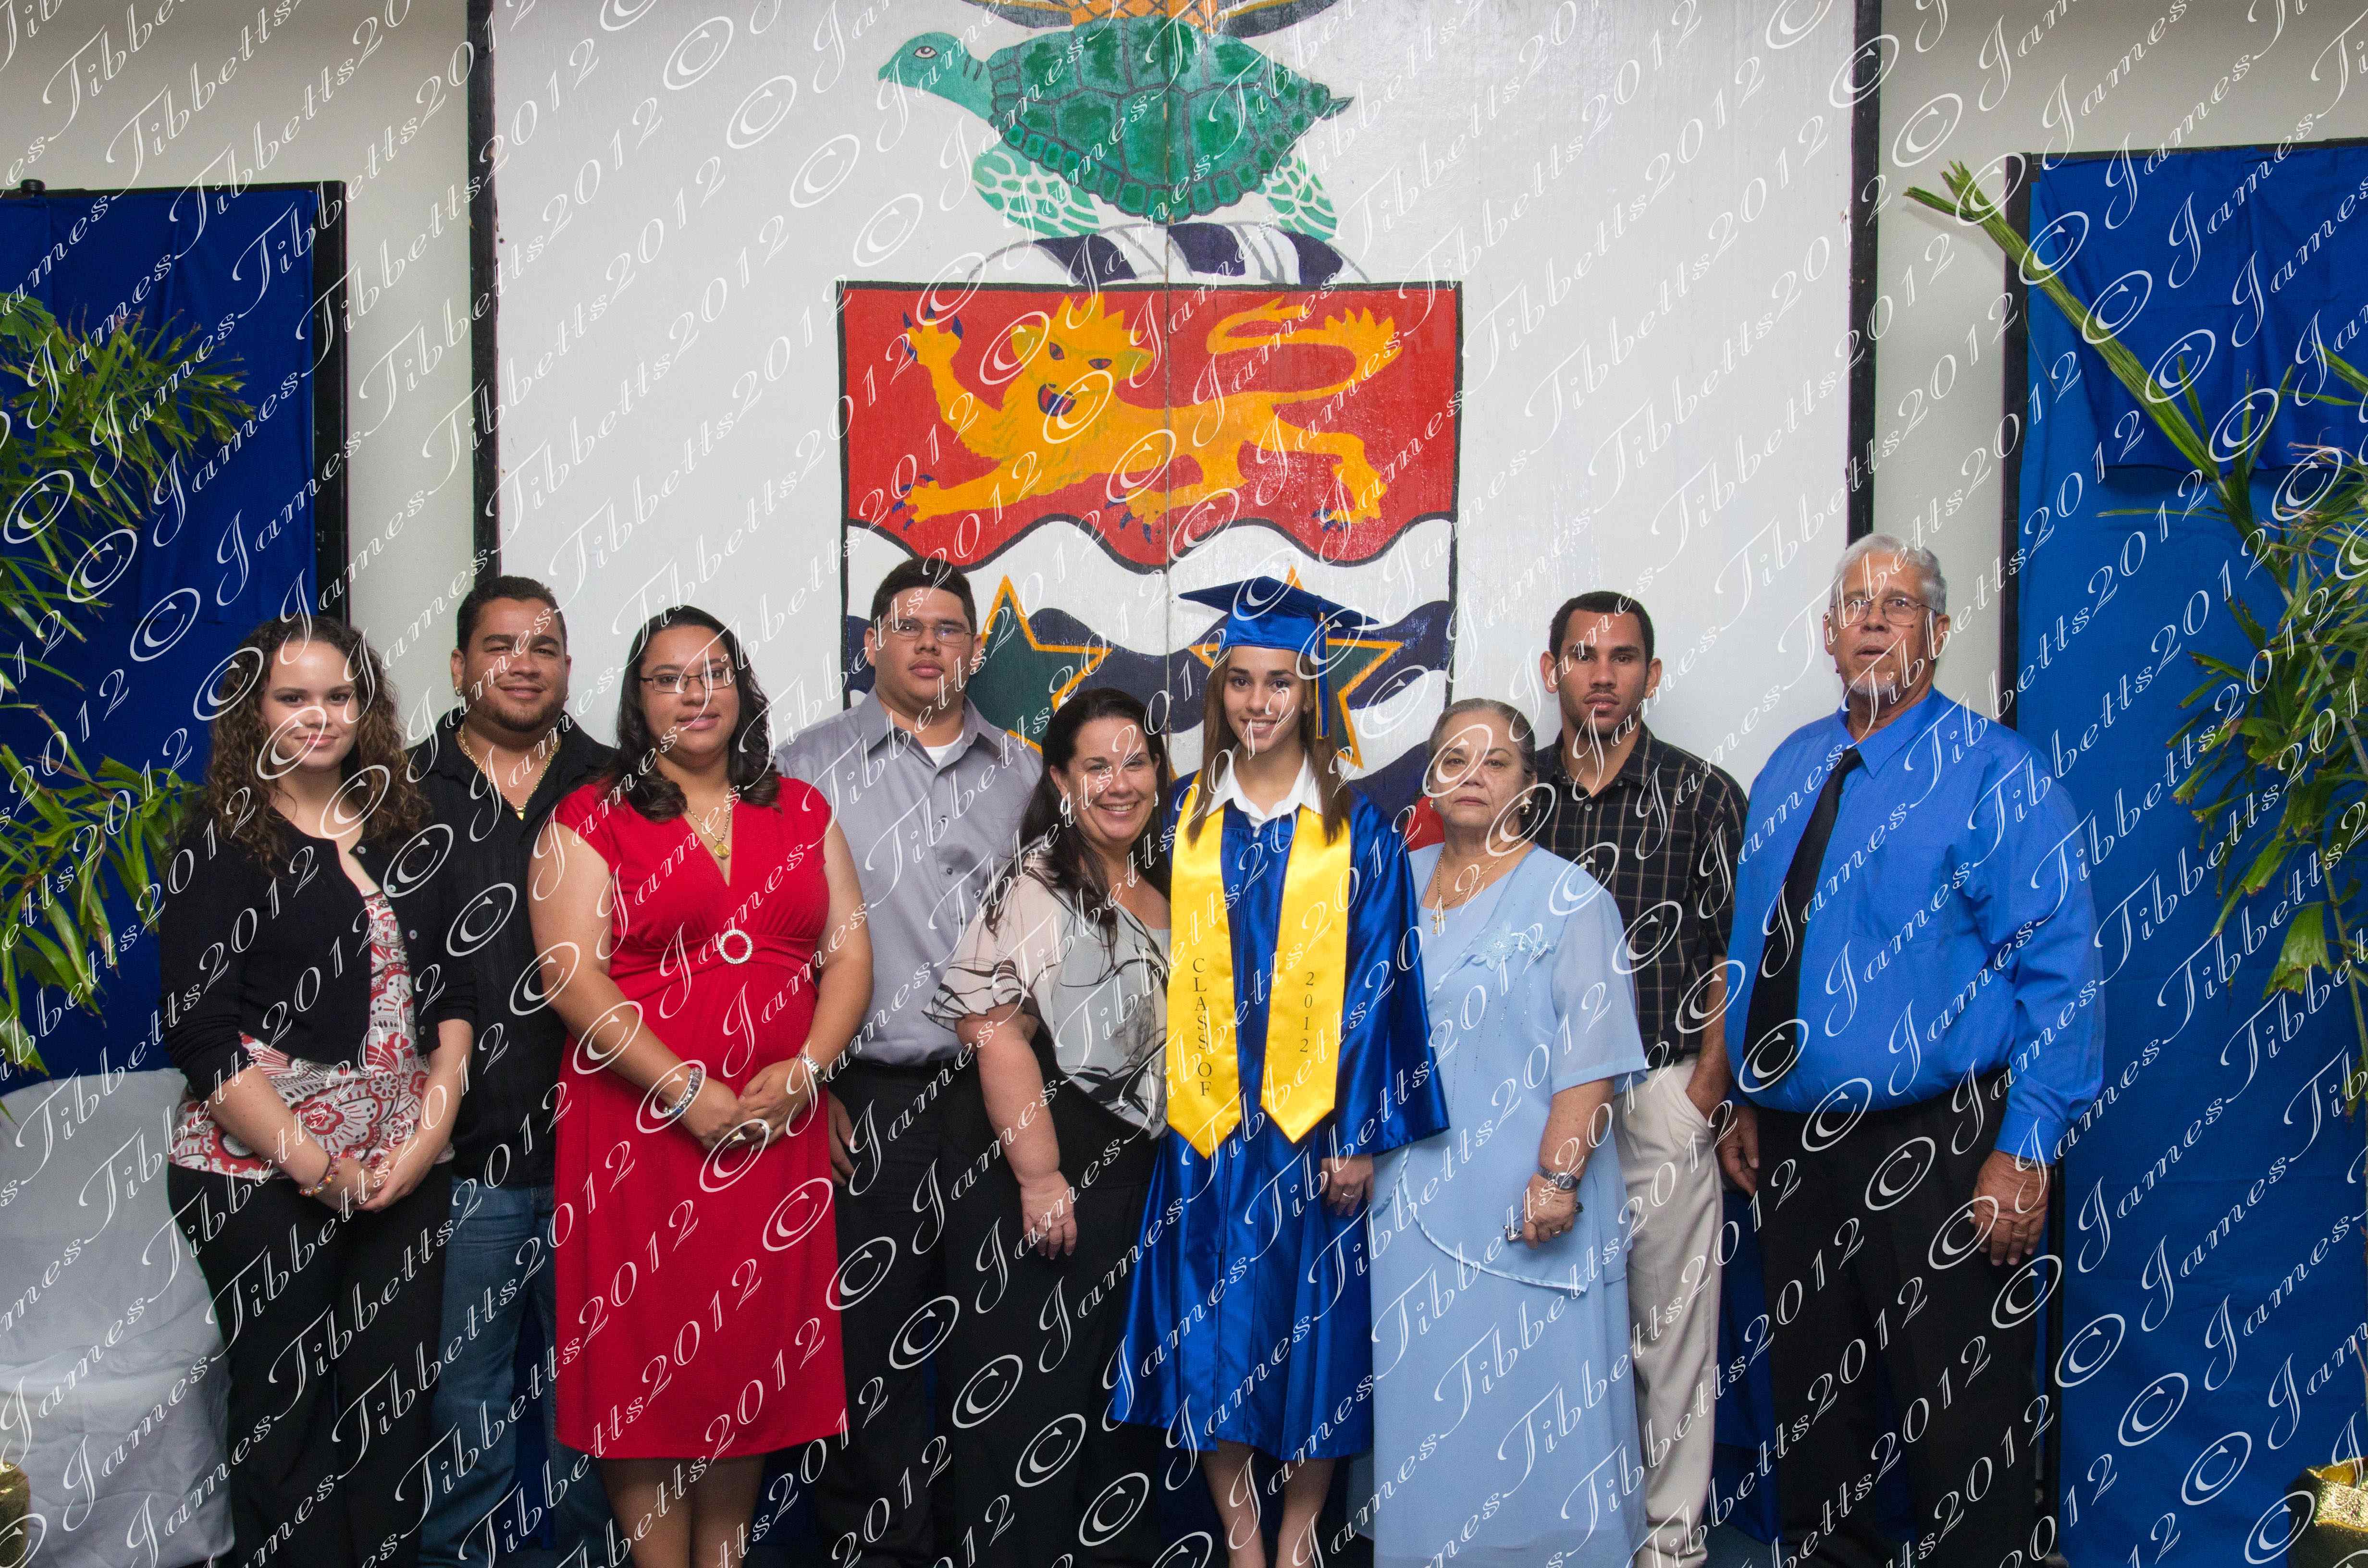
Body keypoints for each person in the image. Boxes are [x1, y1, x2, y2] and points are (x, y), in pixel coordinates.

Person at [1718, 536, 2102, 1568]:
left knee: (1959, 1412)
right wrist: (1748, 1095)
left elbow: (2061, 973)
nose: (1875, 621)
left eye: (1899, 605)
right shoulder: (1790, 765)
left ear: (1939, 631)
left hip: (1942, 1145)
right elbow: (1759, 948)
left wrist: (2026, 1148)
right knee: (1814, 1416)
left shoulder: (1995, 772)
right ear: (1828, 633)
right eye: (1857, 605)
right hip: (1794, 1144)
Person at [1116, 576, 1446, 1568]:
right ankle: (1243, 1539)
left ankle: (1301, 1534)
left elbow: (1382, 985)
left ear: (1310, 694)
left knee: (1317, 1336)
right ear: (1218, 694)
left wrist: (1359, 1133)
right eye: (1240, 682)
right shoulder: (1181, 822)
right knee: (1211, 1331)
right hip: (1206, 1126)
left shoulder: (1358, 830)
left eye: (1280, 683)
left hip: (1313, 1131)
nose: (1258, 702)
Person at [532, 606, 867, 1568]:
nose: (695, 694)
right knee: (645, 1363)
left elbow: (849, 957)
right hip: (637, 1133)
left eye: (714, 674)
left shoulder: (802, 810)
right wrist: (684, 1090)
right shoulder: (589, 815)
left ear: (743, 690)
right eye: (670, 679)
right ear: (638, 702)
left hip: (772, 1129)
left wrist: (806, 1071)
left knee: (741, 1359)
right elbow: (569, 976)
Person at [160, 615, 477, 1568]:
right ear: (254, 713)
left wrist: (428, 1138)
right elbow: (200, 1034)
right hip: (258, 1177)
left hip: (403, 1169)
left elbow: (456, 997)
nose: (320, 716)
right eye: (292, 698)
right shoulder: (220, 839)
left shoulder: (409, 825)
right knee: (284, 1421)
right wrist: (316, 1166)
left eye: (339, 696)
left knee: (395, 1415)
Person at [774, 559, 1040, 1566]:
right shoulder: (806, 767)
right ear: (873, 642)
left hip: (995, 1096)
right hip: (866, 1099)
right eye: (909, 626)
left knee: (996, 1342)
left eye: (949, 627)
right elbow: (769, 941)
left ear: (974, 647)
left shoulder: (1024, 776)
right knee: (868, 1353)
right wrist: (810, 1084)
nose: (930, 644)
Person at [1366, 698, 1649, 1568]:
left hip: (1528, 1202)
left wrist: (1558, 1180)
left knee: (1536, 1407)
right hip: (1409, 1202)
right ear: (1429, 777)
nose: (1472, 777)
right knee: (1429, 1414)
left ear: (1530, 784)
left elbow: (1595, 1056)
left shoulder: (1573, 897)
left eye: (1495, 763)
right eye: (1454, 759)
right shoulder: (1391, 882)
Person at [928, 687, 1173, 1568]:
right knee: (1028, 1411)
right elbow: (992, 1029)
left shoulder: (1159, 885)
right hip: (1048, 1168)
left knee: (1109, 1410)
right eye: (1096, 766)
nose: (1120, 782)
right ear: (1063, 783)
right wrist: (1040, 1176)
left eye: (1135, 762)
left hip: (1134, 1177)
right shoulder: (1040, 883)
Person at [1531, 591, 1744, 1568]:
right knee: (1546, 1328)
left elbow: (1735, 955)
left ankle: (1670, 1544)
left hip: (1661, 1092)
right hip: (1539, 1109)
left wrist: (1704, 1093)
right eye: (1583, 654)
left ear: (1651, 676)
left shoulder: (1703, 795)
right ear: (1552, 672)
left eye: (1622, 657)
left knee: (1671, 1336)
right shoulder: (1517, 794)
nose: (1602, 673)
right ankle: (1557, 1535)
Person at [414, 576, 616, 1568]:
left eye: (542, 647)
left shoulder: (620, 784)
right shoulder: (400, 793)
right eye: (500, 646)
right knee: (466, 1410)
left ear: (568, 667)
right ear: (461, 666)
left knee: (600, 1403)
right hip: (460, 1163)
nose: (523, 665)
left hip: (604, 1154)